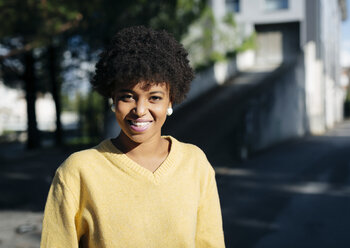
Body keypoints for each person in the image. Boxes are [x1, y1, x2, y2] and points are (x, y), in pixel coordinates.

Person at [41, 26, 225, 248]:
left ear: (171, 100)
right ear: (112, 98)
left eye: (154, 97)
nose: (140, 109)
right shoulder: (78, 171)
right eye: (127, 96)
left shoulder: (195, 163)